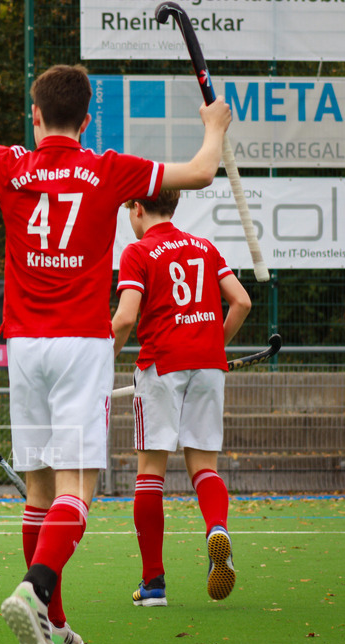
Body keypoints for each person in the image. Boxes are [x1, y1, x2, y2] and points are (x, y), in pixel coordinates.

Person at [0, 8, 232, 644]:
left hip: (25, 348)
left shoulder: (12, 165)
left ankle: (56, 626)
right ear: (88, 118)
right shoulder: (109, 170)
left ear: (36, 117)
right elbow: (200, 172)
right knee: (78, 490)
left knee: (40, 492)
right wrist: (214, 127)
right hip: (81, 346)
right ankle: (36, 588)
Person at [111, 189, 251, 606]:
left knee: (150, 472)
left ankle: (153, 583)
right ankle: (217, 529)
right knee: (203, 465)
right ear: (173, 206)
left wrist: (96, 368)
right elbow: (241, 301)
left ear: (137, 209)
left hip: (160, 366)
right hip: (208, 366)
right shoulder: (204, 247)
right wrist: (212, 347)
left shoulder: (138, 251)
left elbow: (125, 319)